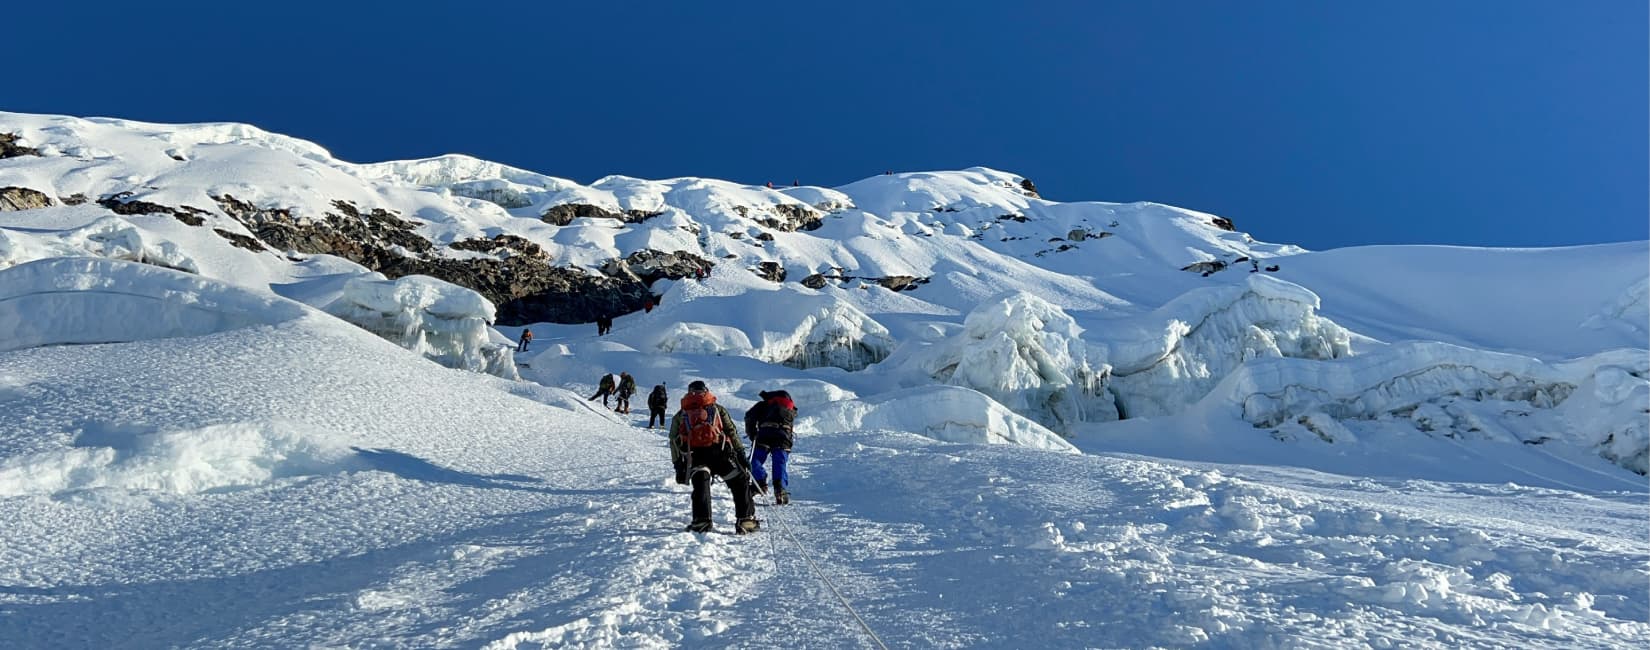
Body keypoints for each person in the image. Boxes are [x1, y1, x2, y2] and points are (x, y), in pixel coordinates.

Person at [670, 380, 759, 534]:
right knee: (739, 481)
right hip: (720, 454)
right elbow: (731, 431)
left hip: (695, 456)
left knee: (701, 485)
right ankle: (746, 520)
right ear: (706, 391)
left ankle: (702, 521)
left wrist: (678, 464)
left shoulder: (682, 413)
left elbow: (673, 440)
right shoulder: (716, 409)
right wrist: (740, 454)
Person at [745, 389, 798, 504]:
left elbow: (749, 416)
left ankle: (760, 483)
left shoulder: (763, 405)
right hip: (784, 436)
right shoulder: (791, 409)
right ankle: (780, 490)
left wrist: (752, 433)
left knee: (755, 459)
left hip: (765, 433)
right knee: (780, 462)